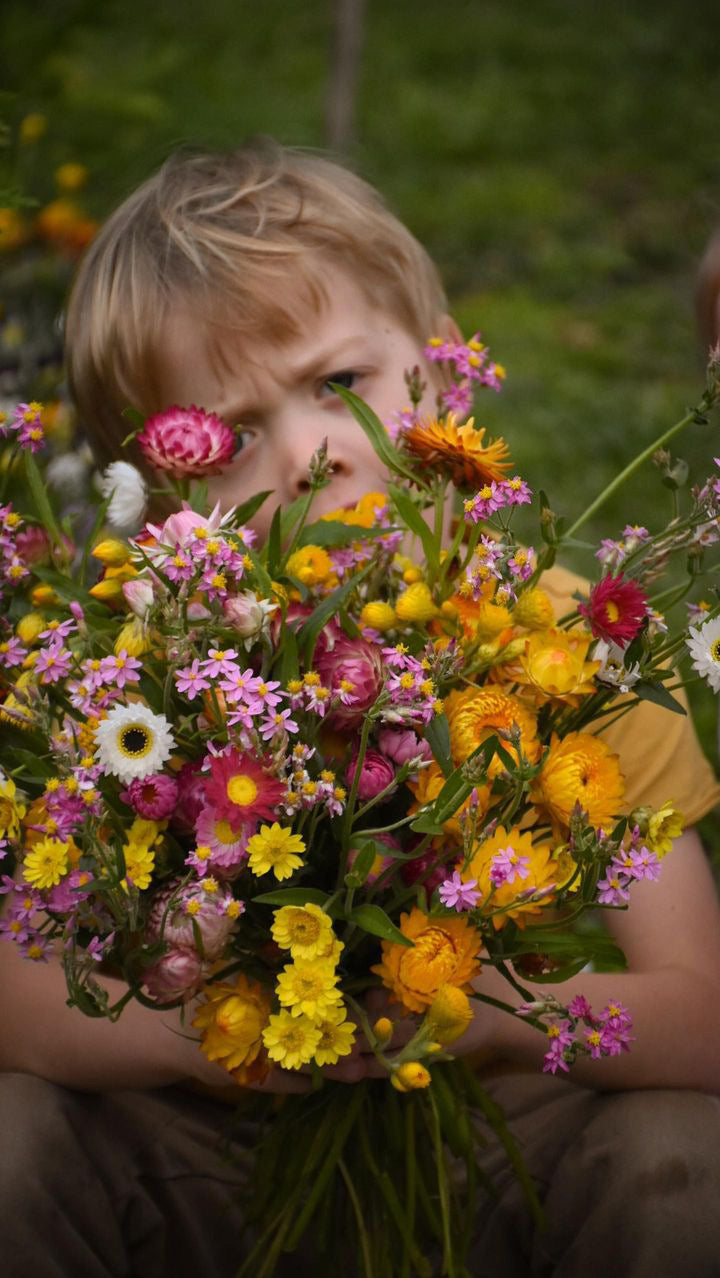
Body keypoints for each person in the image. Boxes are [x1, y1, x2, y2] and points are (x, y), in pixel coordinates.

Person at [2, 139, 720, 1278]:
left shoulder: (574, 648)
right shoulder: (127, 681)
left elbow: (704, 1012)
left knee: (683, 1156)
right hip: (203, 1158)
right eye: (227, 437)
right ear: (148, 500)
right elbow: (16, 1007)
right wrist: (195, 1038)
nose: (306, 457)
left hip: (493, 1151)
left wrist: (491, 1016)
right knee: (15, 1146)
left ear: (443, 375)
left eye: (342, 385)